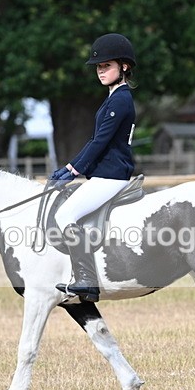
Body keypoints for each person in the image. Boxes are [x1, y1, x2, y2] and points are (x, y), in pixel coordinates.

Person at [50, 33, 137, 302]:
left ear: (123, 67)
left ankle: (86, 279)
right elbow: (94, 140)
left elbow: (100, 141)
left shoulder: (120, 100)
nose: (101, 71)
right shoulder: (113, 98)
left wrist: (73, 170)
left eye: (106, 66)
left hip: (111, 175)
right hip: (105, 173)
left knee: (65, 216)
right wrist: (70, 166)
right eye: (99, 67)